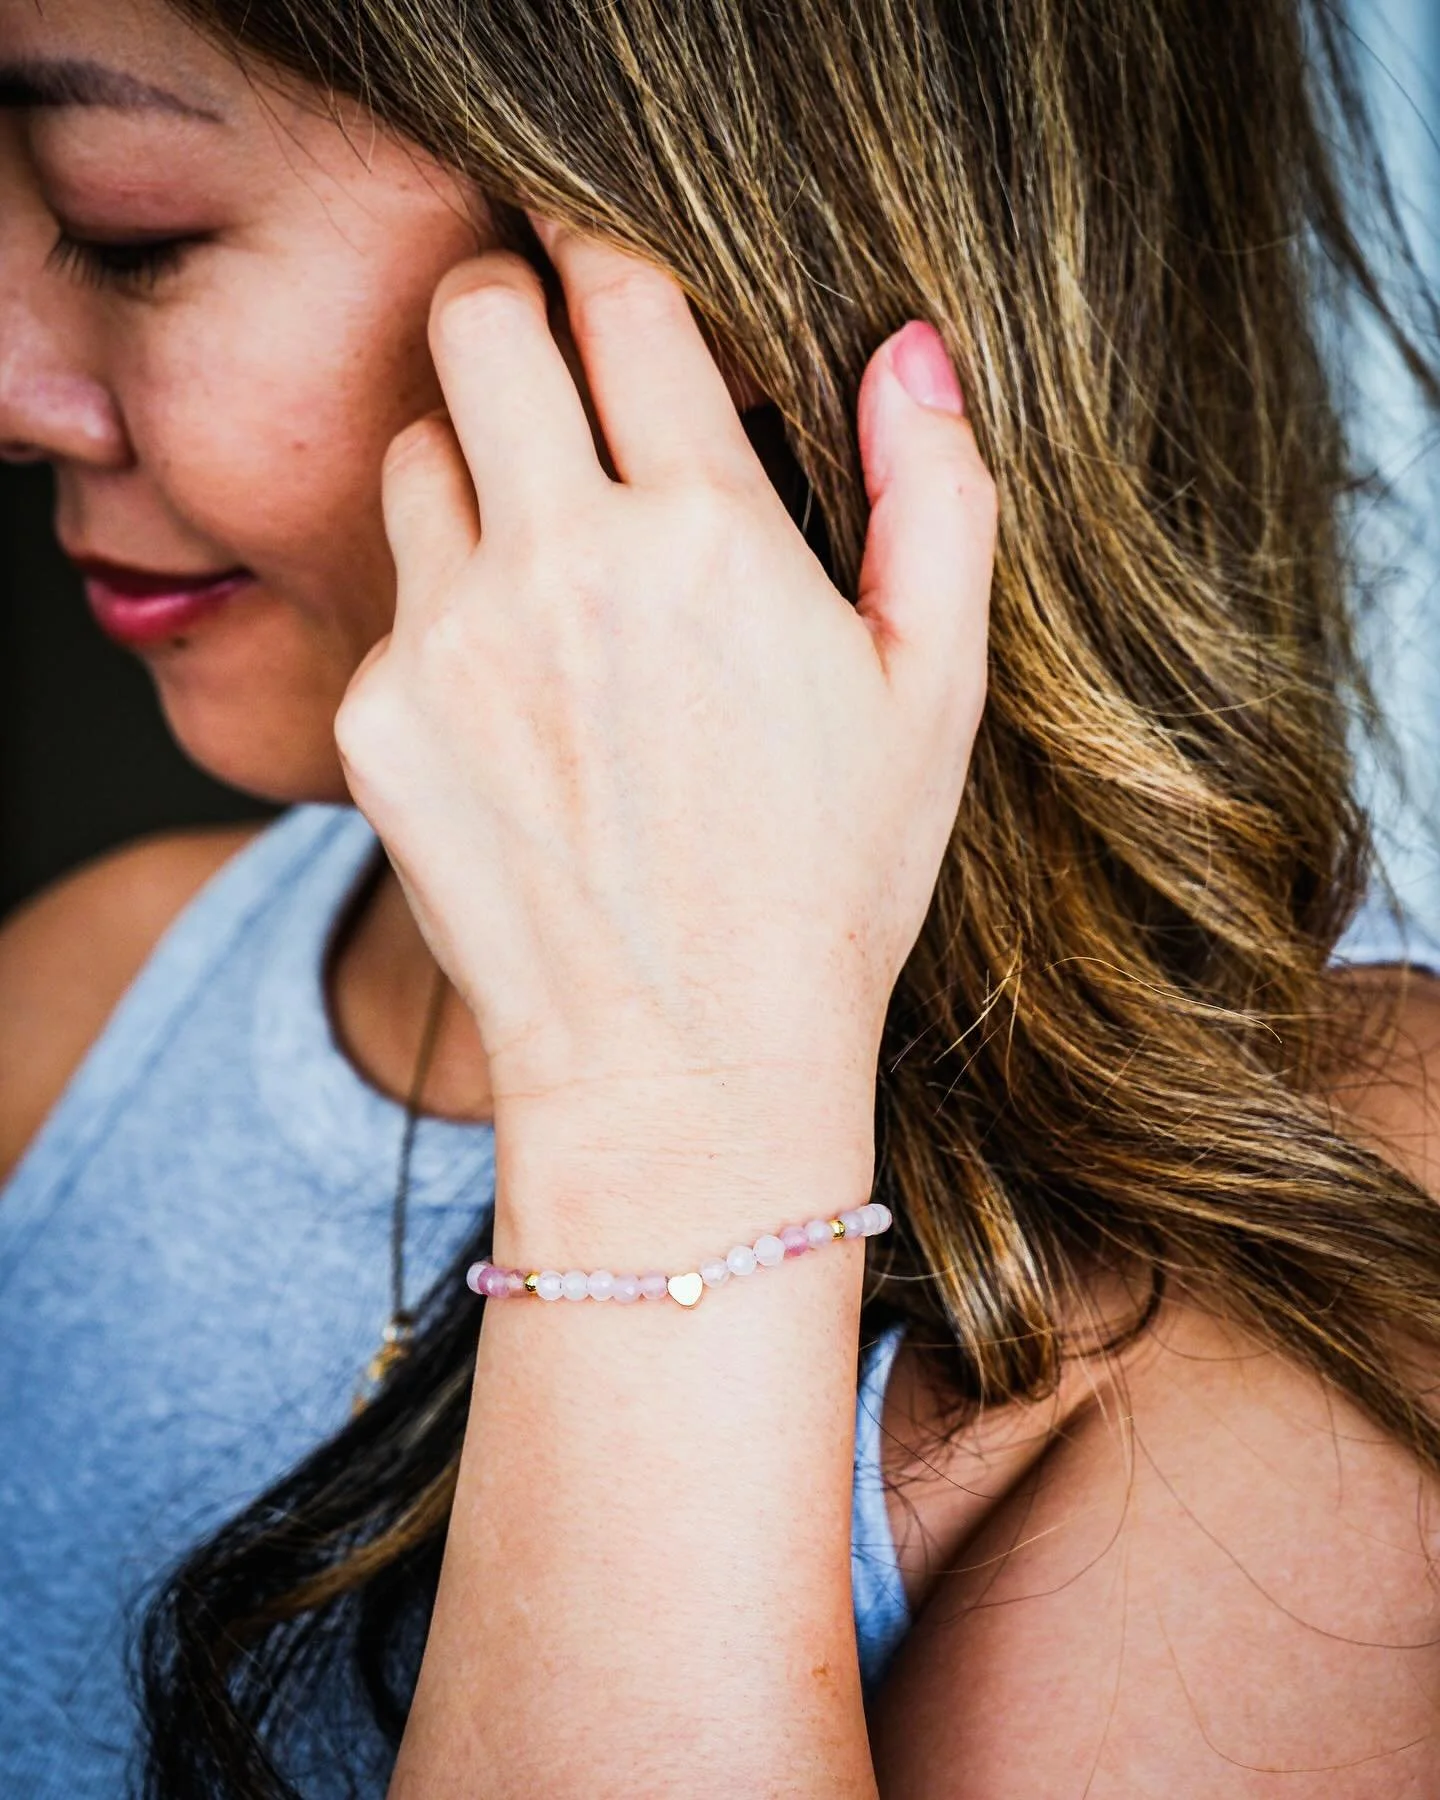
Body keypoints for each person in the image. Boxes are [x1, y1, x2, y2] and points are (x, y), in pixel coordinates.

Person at [2, 0, 1439, 1793]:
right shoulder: (77, 1007)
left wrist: (669, 1124)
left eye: (134, 232)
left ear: (717, 258)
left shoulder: (1343, 1273)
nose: (13, 383)